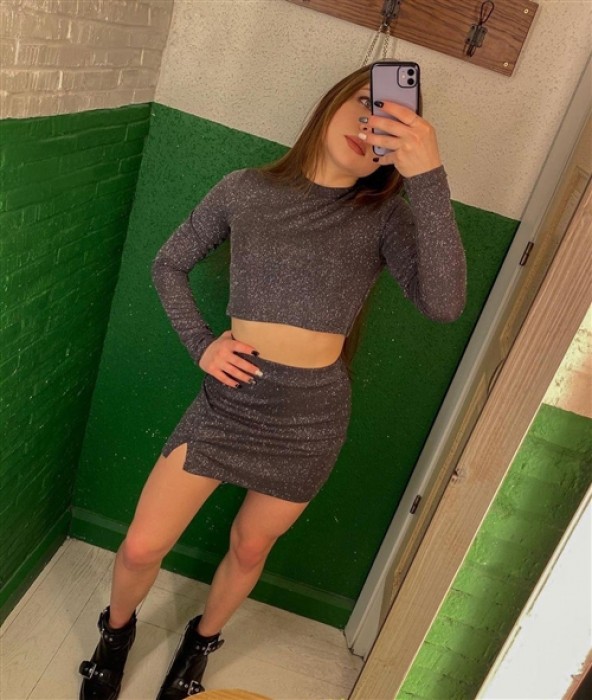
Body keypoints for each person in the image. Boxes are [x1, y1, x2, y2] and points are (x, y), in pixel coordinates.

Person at [78, 61, 467, 700]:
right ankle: (114, 637)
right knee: (142, 547)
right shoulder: (244, 189)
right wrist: (202, 345)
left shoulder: (386, 215)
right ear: (332, 101)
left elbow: (445, 303)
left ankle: (200, 644)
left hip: (311, 421)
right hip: (229, 404)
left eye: (392, 120)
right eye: (365, 103)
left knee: (251, 548)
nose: (370, 125)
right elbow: (168, 263)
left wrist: (428, 176)